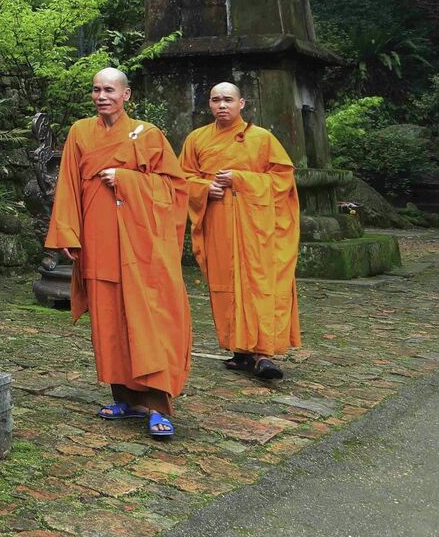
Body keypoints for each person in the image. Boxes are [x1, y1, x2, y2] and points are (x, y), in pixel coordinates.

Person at [43, 67, 193, 438]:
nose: (101, 96)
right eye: (96, 90)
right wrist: (67, 230)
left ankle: (158, 405)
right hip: (98, 238)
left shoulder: (148, 134)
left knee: (147, 316)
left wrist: (126, 179)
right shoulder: (80, 131)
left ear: (126, 95)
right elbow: (68, 183)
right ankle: (124, 396)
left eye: (109, 90)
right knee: (108, 319)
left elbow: (174, 188)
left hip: (141, 244)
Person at [179, 82, 301, 381]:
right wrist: (206, 187)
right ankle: (240, 349)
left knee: (260, 282)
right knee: (226, 283)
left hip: (258, 227)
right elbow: (180, 178)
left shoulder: (262, 138)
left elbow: (283, 180)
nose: (222, 105)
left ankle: (263, 353)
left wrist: (241, 180)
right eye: (216, 100)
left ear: (242, 103)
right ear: (209, 104)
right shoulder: (197, 139)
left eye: (228, 100)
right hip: (218, 224)